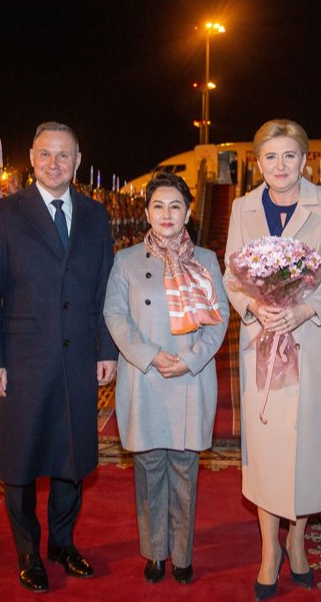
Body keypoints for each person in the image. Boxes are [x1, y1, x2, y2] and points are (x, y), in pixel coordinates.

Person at [0, 122, 117, 593]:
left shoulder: (97, 217)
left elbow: (103, 289)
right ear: (31, 158)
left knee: (71, 457)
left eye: (64, 156)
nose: (54, 163)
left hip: (78, 358)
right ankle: (28, 551)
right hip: (23, 360)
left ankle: (62, 543)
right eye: (45, 154)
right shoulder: (4, 214)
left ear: (77, 161)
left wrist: (107, 349)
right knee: (20, 462)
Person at [223, 119, 321, 598]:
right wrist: (254, 306)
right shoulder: (243, 207)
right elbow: (232, 276)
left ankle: (298, 540)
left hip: (311, 345)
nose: (280, 167)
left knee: (305, 451)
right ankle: (269, 549)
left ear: (304, 160)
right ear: (258, 162)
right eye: (270, 157)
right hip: (262, 344)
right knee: (266, 452)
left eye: (289, 156)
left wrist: (304, 309)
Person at [103, 171, 229, 585]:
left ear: (188, 212)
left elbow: (219, 319)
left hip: (190, 380)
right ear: (146, 213)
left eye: (175, 206)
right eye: (158, 206)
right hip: (145, 379)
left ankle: (182, 553)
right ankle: (155, 552)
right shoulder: (125, 261)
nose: (166, 214)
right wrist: (152, 356)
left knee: (184, 472)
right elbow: (115, 317)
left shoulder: (207, 260)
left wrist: (189, 359)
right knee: (149, 469)